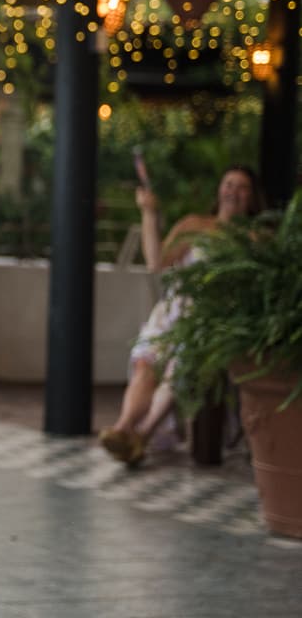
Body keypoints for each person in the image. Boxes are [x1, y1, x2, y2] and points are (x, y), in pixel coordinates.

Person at [98, 165, 261, 465]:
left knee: (180, 368)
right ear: (219, 190)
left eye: (242, 187)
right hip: (175, 311)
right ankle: (122, 429)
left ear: (251, 198)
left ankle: (142, 436)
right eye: (228, 184)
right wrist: (148, 212)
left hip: (215, 321)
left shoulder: (253, 239)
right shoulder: (195, 225)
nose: (233, 192)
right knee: (147, 364)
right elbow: (156, 262)